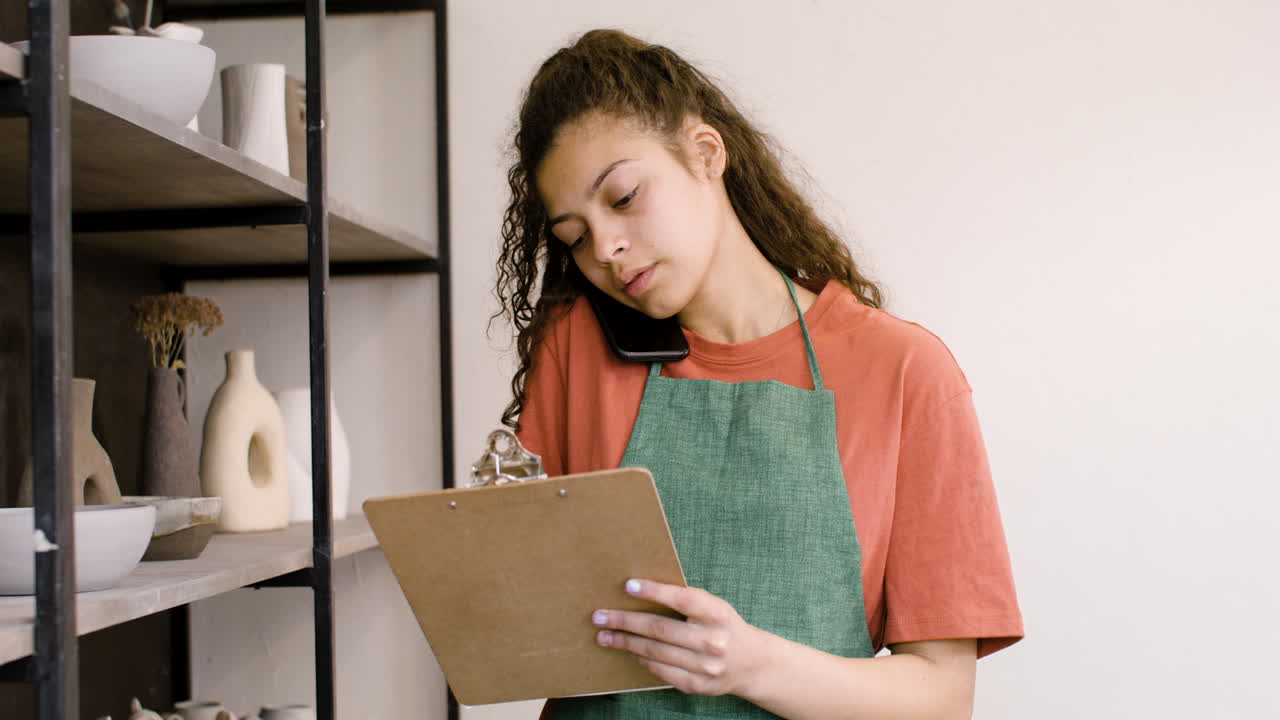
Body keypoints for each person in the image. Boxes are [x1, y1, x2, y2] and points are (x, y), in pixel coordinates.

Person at [494, 29, 1023, 719]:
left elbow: (942, 699)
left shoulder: (904, 372)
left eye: (622, 197)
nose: (607, 247)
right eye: (575, 236)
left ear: (705, 153)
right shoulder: (576, 348)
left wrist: (750, 665)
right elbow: (531, 616)